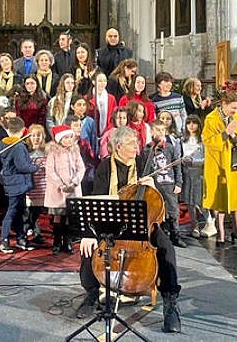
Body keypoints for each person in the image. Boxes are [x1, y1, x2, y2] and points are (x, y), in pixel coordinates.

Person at [77, 127, 182, 333]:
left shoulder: (143, 163)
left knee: (167, 248)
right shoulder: (105, 167)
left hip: (143, 222)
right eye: (132, 144)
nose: (137, 147)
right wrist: (89, 233)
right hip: (112, 221)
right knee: (88, 247)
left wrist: (152, 185)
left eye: (137, 143)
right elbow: (97, 197)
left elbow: (157, 200)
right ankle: (91, 293)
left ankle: (170, 303)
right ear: (118, 147)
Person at [202, 90, 237, 247]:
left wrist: (234, 136)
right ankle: (221, 231)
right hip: (218, 163)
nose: (235, 111)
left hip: (236, 164)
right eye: (233, 108)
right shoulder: (211, 119)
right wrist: (225, 133)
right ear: (223, 104)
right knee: (220, 199)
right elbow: (207, 141)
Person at [0, 117, 40, 253]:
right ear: (23, 130)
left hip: (10, 181)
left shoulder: (2, 143)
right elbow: (22, 166)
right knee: (12, 211)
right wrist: (35, 167)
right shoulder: (19, 146)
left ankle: (21, 239)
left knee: (20, 211)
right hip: (17, 183)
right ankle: (4, 240)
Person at [44, 125, 85, 254]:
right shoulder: (53, 152)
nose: (69, 140)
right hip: (58, 190)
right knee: (58, 216)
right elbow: (50, 171)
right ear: (59, 139)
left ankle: (67, 242)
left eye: (70, 137)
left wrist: (74, 182)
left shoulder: (75, 151)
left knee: (69, 216)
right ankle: (56, 241)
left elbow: (81, 168)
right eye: (66, 137)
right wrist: (61, 185)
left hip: (72, 189)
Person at [146, 119, 184, 247]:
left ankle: (175, 235)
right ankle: (160, 236)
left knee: (173, 210)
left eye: (163, 130)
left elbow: (177, 166)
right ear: (151, 131)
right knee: (157, 211)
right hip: (155, 186)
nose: (161, 132)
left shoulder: (169, 148)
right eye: (157, 130)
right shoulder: (147, 149)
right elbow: (144, 168)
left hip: (169, 184)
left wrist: (179, 183)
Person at [181, 115, 208, 238]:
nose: (191, 126)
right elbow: (180, 155)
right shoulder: (182, 140)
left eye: (194, 123)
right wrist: (184, 161)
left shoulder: (202, 139)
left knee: (200, 200)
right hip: (187, 172)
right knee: (189, 201)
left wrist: (195, 162)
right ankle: (194, 224)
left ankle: (209, 222)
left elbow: (207, 158)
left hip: (199, 172)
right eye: (188, 123)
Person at [25, 124, 48, 246]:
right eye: (33, 135)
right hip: (30, 186)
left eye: (38, 135)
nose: (36, 138)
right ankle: (35, 232)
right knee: (29, 210)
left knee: (38, 210)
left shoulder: (46, 151)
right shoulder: (27, 152)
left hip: (42, 185)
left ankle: (32, 229)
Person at [88, 72, 117, 141]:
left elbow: (114, 116)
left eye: (104, 81)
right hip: (91, 134)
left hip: (107, 133)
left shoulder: (111, 98)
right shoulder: (87, 98)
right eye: (100, 81)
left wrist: (109, 130)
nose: (102, 83)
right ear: (93, 82)